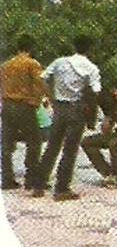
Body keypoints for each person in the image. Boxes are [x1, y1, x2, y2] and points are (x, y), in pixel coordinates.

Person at [31, 36, 103, 201]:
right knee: (70, 149)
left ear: (74, 46)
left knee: (52, 146)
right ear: (90, 50)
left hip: (59, 107)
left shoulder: (60, 62)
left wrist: (51, 98)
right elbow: (96, 91)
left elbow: (42, 78)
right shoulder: (91, 68)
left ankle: (38, 185)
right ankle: (62, 188)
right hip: (76, 108)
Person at [1, 34, 47, 192]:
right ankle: (31, 178)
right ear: (31, 47)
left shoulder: (6, 64)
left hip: (7, 105)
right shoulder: (31, 64)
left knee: (7, 144)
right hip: (24, 105)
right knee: (33, 143)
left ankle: (7, 179)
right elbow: (41, 83)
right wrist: (38, 100)